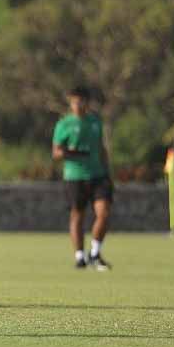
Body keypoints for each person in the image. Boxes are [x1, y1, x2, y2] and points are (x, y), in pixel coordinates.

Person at [52, 86, 113, 271]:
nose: (78, 104)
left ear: (87, 102)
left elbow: (101, 148)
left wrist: (108, 172)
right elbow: (56, 153)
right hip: (75, 176)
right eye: (74, 101)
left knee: (104, 214)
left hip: (98, 175)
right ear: (70, 102)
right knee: (77, 215)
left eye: (81, 101)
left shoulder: (95, 122)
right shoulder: (64, 124)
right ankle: (80, 256)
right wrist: (74, 153)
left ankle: (95, 252)